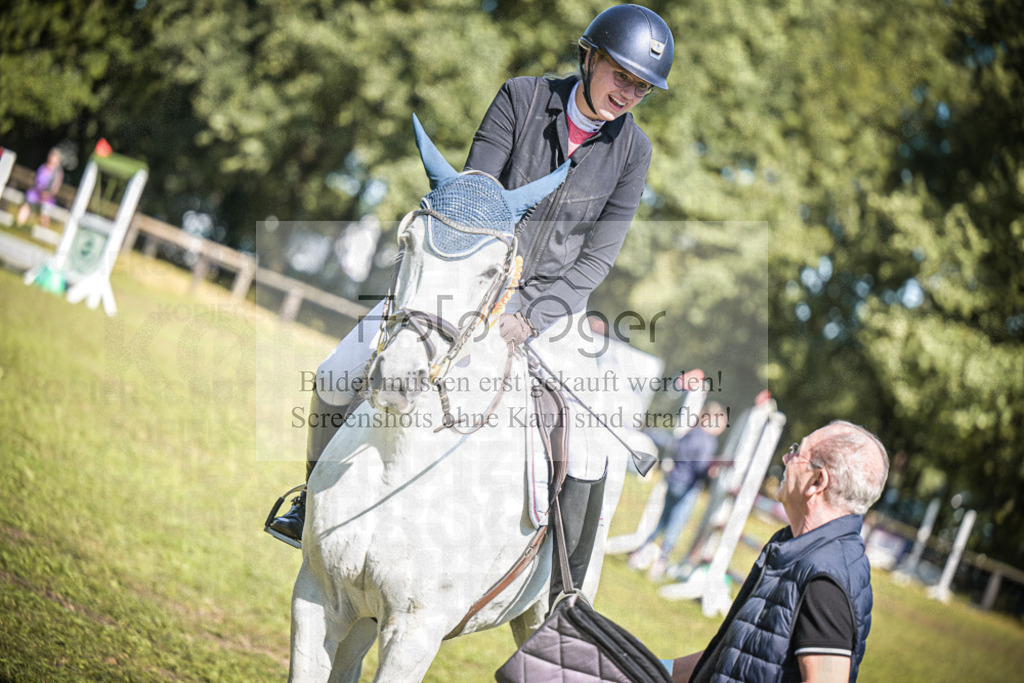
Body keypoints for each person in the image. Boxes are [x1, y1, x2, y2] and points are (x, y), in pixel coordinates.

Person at [267, 3, 675, 603]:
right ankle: (311, 506)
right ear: (589, 57)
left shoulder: (633, 154)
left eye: (641, 85)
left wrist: (528, 318)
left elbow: (597, 260)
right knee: (335, 372)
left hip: (544, 314)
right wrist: (482, 294)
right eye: (621, 74)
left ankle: (563, 595)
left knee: (590, 441)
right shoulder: (523, 98)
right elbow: (468, 200)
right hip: (462, 285)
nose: (629, 91)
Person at [666, 421, 890, 683]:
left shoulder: (825, 579)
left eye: (797, 452)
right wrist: (646, 670)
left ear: (817, 481)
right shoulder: (795, 547)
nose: (786, 458)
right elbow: (733, 658)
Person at [629, 401, 728, 579]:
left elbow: (676, 450)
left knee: (662, 520)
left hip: (673, 480)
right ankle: (661, 563)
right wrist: (710, 472)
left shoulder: (691, 432)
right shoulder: (708, 441)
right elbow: (700, 467)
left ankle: (639, 553)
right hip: (688, 487)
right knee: (676, 524)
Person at [16, 148, 63, 229]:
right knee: (26, 204)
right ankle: (18, 225)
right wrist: (39, 191)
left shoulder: (58, 172)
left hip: (47, 197)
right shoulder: (43, 167)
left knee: (45, 211)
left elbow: (55, 188)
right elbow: (36, 181)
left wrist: (47, 194)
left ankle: (43, 231)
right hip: (36, 192)